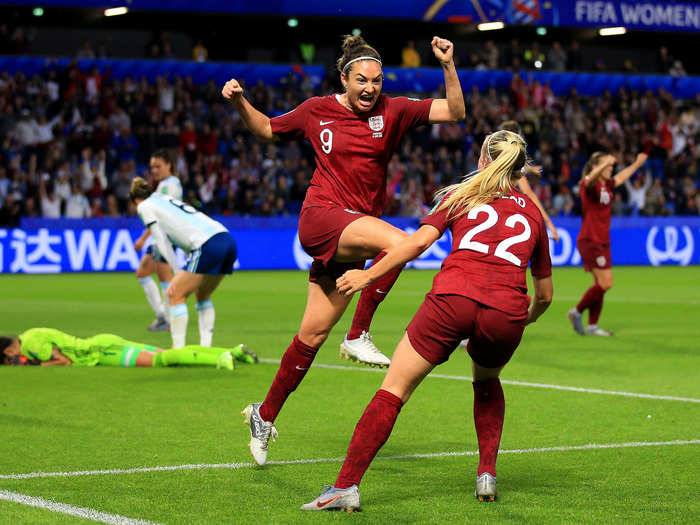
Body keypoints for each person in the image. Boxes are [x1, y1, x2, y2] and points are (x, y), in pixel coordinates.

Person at [222, 34, 465, 466]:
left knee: (311, 337)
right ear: (344, 78)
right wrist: (240, 101)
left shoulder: (395, 109)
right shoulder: (317, 110)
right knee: (402, 242)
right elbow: (264, 128)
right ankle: (358, 333)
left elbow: (454, 111)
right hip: (321, 217)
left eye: (377, 80)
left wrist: (448, 65)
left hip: (353, 235)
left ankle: (264, 414)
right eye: (361, 80)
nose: (370, 88)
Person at [300, 130, 553, 512]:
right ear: (519, 170)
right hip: (506, 312)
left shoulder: (462, 195)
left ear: (483, 161)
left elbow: (416, 243)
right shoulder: (533, 213)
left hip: (452, 300)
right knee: (486, 381)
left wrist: (368, 276)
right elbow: (546, 295)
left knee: (394, 390)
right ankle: (487, 473)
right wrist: (523, 320)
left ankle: (345, 487)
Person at [130, 177, 237, 349]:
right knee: (202, 295)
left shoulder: (144, 206)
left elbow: (161, 240)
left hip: (206, 244)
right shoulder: (161, 198)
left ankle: (177, 350)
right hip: (226, 238)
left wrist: (176, 269)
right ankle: (205, 348)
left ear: (135, 200)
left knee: (175, 293)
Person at [567, 151, 648, 336]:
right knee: (606, 283)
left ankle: (593, 326)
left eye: (611, 166)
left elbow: (622, 176)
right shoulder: (588, 185)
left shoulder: (607, 185)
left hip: (602, 241)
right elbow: (589, 179)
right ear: (596, 167)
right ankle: (576, 312)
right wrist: (603, 165)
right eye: (607, 166)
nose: (611, 169)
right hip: (590, 239)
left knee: (600, 285)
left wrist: (636, 164)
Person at [0, 328, 257, 368]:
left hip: (103, 352)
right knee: (161, 353)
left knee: (162, 360)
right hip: (104, 341)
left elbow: (63, 361)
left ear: (11, 348)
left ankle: (220, 359)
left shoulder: (31, 344)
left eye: (8, 356)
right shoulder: (32, 334)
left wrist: (38, 364)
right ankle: (232, 351)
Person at [133, 149, 183, 332]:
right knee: (143, 273)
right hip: (163, 236)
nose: (154, 170)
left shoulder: (167, 186)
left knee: (164, 278)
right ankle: (164, 316)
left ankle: (170, 320)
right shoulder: (170, 183)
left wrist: (142, 238)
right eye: (152, 167)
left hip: (165, 237)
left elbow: (158, 216)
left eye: (158, 166)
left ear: (169, 165)